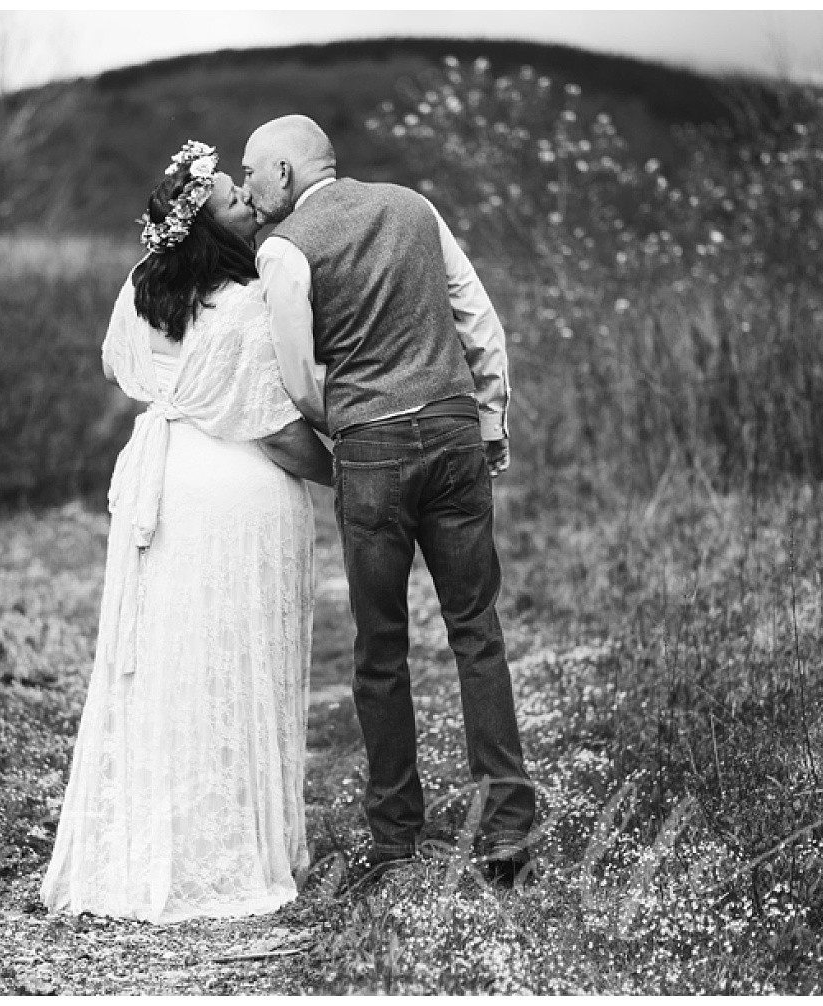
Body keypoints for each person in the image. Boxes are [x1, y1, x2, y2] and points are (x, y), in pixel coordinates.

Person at [40, 140, 333, 923]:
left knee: (168, 662)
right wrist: (347, 469)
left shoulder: (142, 290)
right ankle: (233, 850)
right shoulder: (244, 303)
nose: (248, 200)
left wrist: (176, 396)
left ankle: (152, 844)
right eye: (233, 198)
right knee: (235, 661)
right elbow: (275, 429)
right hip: (235, 492)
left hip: (165, 479)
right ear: (204, 225)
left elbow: (116, 367)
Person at [240, 115, 539, 885]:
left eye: (251, 172)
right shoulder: (414, 206)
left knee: (381, 652)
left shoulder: (284, 249)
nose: (247, 189)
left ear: (284, 170)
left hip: (369, 448)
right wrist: (490, 423)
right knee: (477, 629)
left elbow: (299, 374)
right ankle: (507, 828)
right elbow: (479, 321)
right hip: (450, 430)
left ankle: (396, 840)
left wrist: (344, 426)